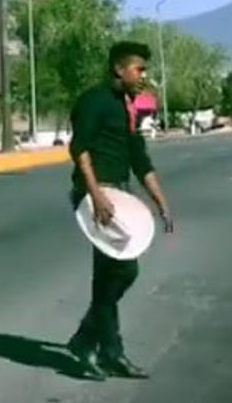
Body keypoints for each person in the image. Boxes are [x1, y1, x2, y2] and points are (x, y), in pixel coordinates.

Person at [63, 42, 173, 380]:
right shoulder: (94, 101)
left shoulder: (130, 107)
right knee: (122, 272)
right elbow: (79, 149)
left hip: (119, 195)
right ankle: (95, 344)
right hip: (96, 195)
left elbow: (140, 160)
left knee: (111, 276)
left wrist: (161, 202)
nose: (143, 76)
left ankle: (102, 347)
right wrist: (96, 196)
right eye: (139, 69)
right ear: (118, 69)